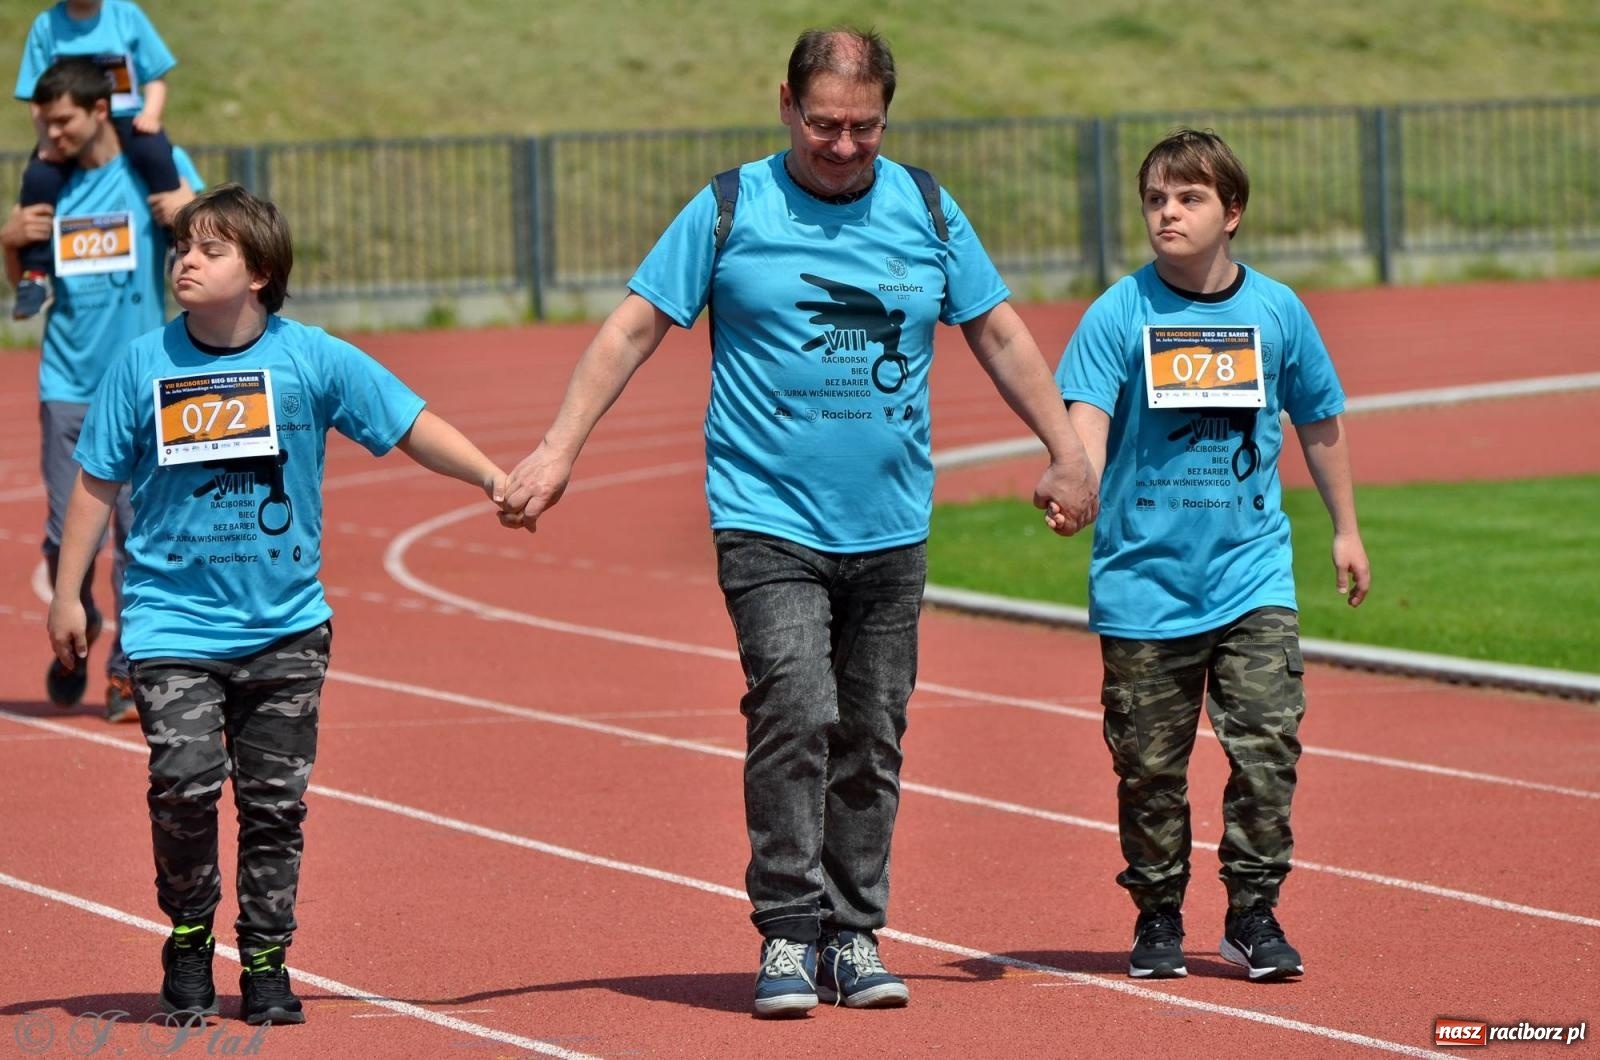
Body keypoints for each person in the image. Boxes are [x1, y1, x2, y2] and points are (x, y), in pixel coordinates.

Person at [500, 26, 1098, 1017]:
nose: (843, 145)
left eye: (864, 127)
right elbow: (634, 324)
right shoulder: (731, 206)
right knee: (796, 706)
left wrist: (1065, 450)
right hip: (764, 519)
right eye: (824, 123)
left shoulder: (927, 208)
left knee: (871, 729)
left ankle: (854, 932)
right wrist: (560, 448)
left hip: (891, 526)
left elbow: (994, 328)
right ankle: (786, 931)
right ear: (785, 104)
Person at [47, 183, 506, 1024]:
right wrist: (70, 594)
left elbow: (408, 421)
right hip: (170, 624)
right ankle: (189, 936)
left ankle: (264, 958)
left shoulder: (313, 358)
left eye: (209, 249)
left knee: (273, 806)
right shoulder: (142, 364)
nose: (186, 259)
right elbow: (96, 482)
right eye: (183, 246)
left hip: (285, 630)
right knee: (184, 787)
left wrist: (490, 477)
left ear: (259, 272)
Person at [1055, 128, 1371, 983]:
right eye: (1156, 198)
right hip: (1143, 585)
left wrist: (1345, 528)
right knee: (1149, 770)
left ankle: (1252, 916)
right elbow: (1082, 415)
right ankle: (1158, 917)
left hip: (1251, 576)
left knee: (1268, 747)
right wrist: (1075, 482)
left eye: (1188, 198)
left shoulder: (1276, 311)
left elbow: (1320, 419)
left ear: (1231, 212)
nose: (1168, 213)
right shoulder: (1119, 313)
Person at [2, 55, 199, 724]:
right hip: (67, 385)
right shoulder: (49, 191)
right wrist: (10, 245)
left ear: (96, 112)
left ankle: (126, 673)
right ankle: (76, 621)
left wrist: (191, 208)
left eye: (61, 123)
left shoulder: (148, 174)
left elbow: (212, 237)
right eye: (43, 124)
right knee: (66, 536)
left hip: (143, 388)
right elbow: (25, 288)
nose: (49, 136)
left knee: (136, 535)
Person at [12, 0, 184, 319]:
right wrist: (48, 138)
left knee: (156, 155)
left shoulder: (126, 16)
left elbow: (156, 75)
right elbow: (37, 100)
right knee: (38, 178)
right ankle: (34, 275)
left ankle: (178, 244)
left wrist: (150, 114)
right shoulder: (46, 25)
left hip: (127, 119)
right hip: (70, 129)